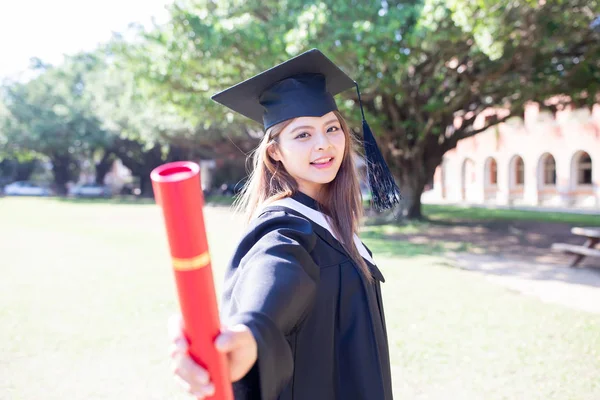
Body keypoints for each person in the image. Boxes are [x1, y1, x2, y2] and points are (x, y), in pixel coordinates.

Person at [169, 48, 401, 400]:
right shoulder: (283, 227)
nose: (324, 144)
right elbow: (276, 272)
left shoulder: (331, 222)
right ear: (275, 151)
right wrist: (249, 332)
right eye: (303, 134)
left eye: (332, 128)